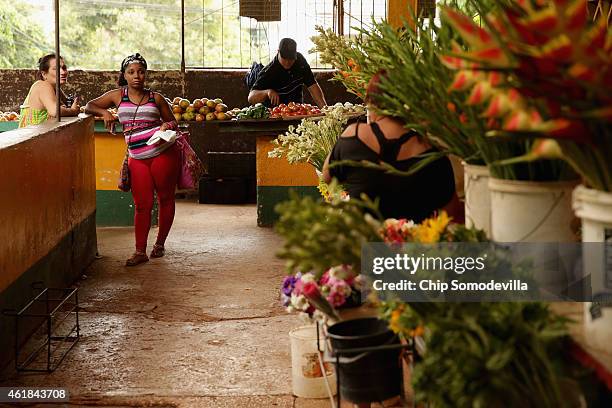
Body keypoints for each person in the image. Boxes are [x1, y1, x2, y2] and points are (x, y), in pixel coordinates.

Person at [322, 71, 458, 223]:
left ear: (372, 102)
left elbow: (327, 176)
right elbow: (451, 215)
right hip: (415, 245)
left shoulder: (355, 135)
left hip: (363, 242)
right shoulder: (431, 151)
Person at [85, 53, 180, 266]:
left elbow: (174, 122)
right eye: (131, 72)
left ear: (145, 74)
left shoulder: (156, 98)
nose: (136, 76)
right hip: (137, 158)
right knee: (141, 204)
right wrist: (105, 113)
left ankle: (160, 244)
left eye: (141, 71)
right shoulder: (117, 96)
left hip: (163, 154)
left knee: (165, 199)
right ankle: (140, 251)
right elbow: (89, 105)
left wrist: (166, 126)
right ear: (124, 75)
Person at [248, 38, 327, 108]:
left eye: (291, 58)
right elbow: (251, 98)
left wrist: (325, 110)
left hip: (297, 112)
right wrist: (268, 92)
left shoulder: (300, 60)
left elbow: (312, 85)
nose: (287, 62)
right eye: (284, 58)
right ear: (278, 52)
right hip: (276, 115)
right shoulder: (269, 71)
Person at [19, 53, 81, 128]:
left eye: (64, 68)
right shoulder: (43, 86)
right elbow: (55, 111)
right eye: (56, 69)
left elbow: (68, 105)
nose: (63, 72)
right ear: (44, 74)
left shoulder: (56, 89)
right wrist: (73, 111)